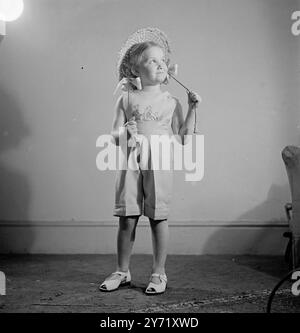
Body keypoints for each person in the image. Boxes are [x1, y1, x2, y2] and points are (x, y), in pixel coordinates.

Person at [99, 28, 201, 294]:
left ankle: (159, 272)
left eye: (162, 60)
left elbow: (183, 138)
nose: (160, 64)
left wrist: (192, 109)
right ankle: (122, 271)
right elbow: (113, 136)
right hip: (131, 161)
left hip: (160, 161)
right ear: (135, 69)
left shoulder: (172, 101)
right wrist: (125, 132)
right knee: (127, 218)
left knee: (158, 218)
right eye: (152, 60)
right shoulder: (126, 98)